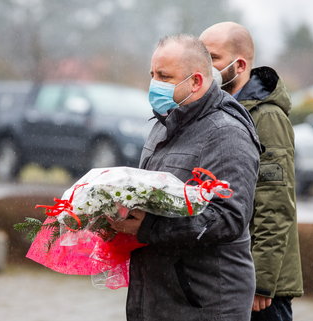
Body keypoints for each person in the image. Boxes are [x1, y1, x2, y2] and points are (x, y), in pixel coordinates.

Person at [109, 34, 262, 320]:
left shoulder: (227, 133)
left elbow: (227, 217)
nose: (154, 84)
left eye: (164, 76)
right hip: (159, 296)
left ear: (196, 82)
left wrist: (149, 227)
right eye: (152, 74)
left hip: (205, 303)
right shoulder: (164, 124)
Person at [200, 22, 303, 321]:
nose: (205, 68)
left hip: (260, 288)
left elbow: (276, 204)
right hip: (229, 272)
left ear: (240, 64)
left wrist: (261, 281)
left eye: (213, 58)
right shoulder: (220, 110)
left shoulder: (267, 117)